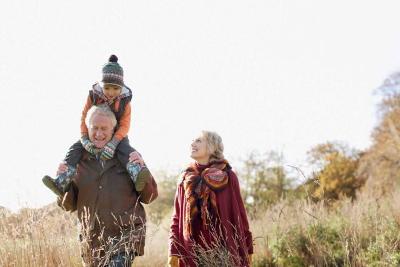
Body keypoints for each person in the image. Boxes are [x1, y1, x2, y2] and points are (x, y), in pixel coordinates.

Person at [58, 104, 158, 266]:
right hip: (91, 240)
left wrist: (143, 168)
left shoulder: (129, 156)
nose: (99, 133)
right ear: (87, 129)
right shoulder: (77, 161)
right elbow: (68, 206)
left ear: (114, 130)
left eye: (104, 128)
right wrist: (64, 185)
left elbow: (150, 197)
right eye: (94, 128)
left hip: (125, 236)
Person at [43, 54, 150, 196]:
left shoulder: (125, 101)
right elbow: (84, 117)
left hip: (118, 134)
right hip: (92, 133)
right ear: (102, 85)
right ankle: (62, 180)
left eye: (115, 89)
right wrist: (84, 138)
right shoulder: (93, 95)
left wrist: (114, 143)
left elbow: (125, 124)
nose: (111, 92)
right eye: (107, 88)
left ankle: (136, 174)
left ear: (121, 87)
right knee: (74, 150)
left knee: (126, 150)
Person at [168, 131, 253, 267]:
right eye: (192, 140)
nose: (192, 143)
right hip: (192, 251)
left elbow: (240, 215)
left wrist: (247, 247)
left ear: (212, 147)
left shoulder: (228, 176)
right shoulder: (185, 178)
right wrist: (173, 250)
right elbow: (177, 218)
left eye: (198, 141)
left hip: (224, 251)